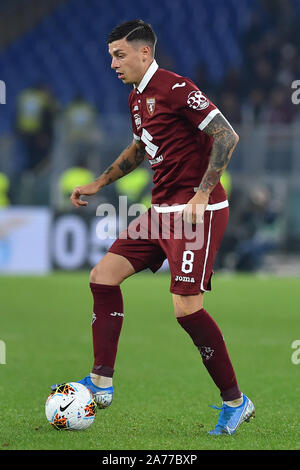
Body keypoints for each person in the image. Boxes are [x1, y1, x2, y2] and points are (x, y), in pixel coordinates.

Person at [57, 20, 255, 436]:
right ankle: (101, 382)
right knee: (103, 276)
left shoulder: (175, 88)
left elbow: (227, 135)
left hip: (194, 214)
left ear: (144, 53)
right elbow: (138, 149)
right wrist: (98, 182)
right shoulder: (136, 98)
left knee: (186, 309)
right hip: (160, 212)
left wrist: (202, 194)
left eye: (120, 54)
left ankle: (235, 402)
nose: (112, 62)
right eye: (111, 55)